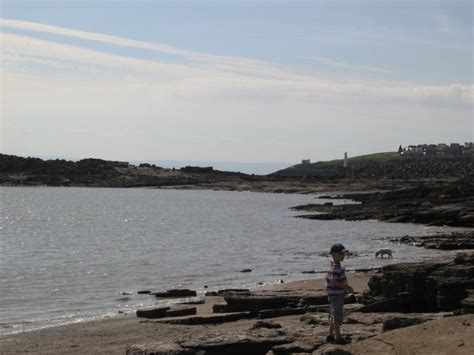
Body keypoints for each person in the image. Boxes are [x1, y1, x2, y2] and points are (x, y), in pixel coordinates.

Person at [326, 243, 353, 345]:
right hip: (336, 295)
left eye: (344, 253)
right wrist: (347, 287)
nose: (344, 255)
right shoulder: (336, 267)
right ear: (334, 254)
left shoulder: (333, 265)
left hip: (333, 294)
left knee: (333, 314)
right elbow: (334, 281)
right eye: (342, 253)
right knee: (337, 315)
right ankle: (338, 338)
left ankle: (330, 335)